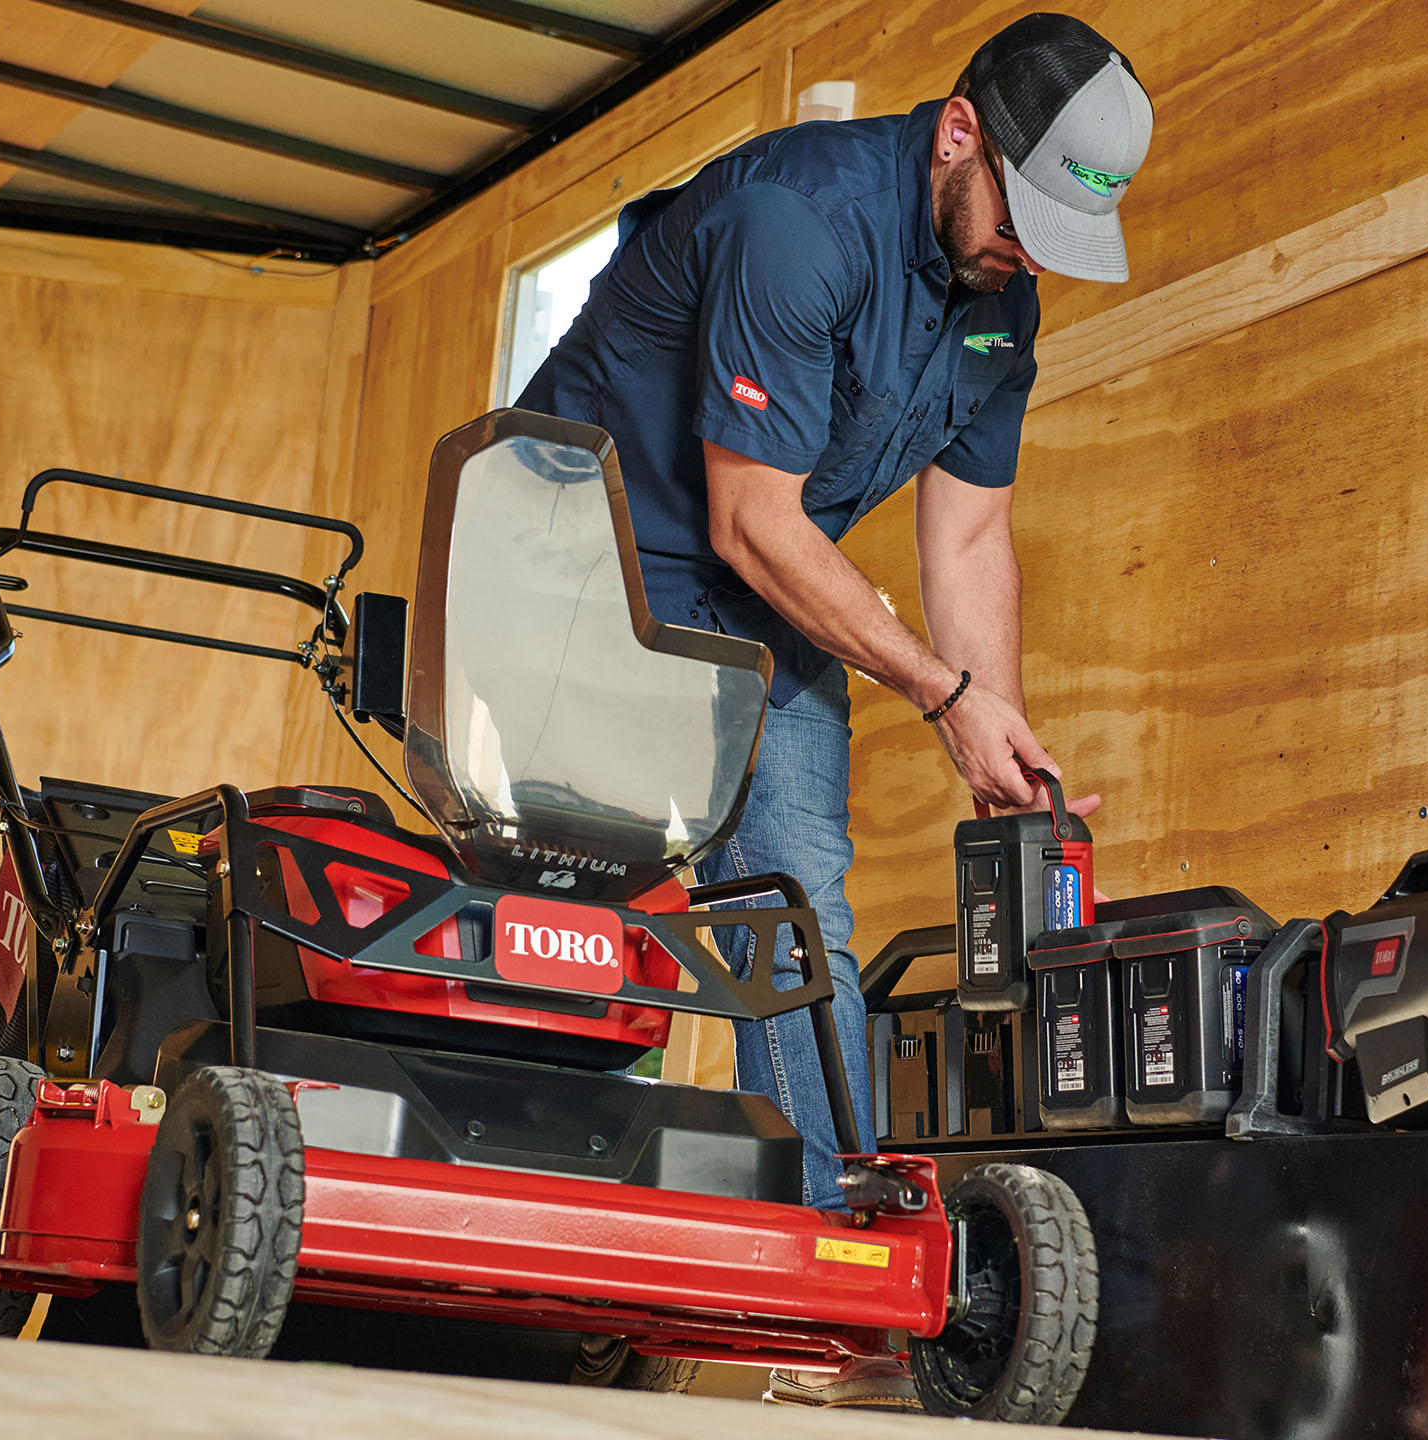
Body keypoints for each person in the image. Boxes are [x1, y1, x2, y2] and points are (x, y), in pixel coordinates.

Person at [515, 12, 1153, 1410]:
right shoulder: (797, 219)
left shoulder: (1000, 302)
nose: (1029, 254)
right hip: (577, 563)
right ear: (957, 132)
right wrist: (940, 692)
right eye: (1021, 216)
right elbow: (748, 520)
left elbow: (971, 545)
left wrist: (1005, 738)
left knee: (797, 903)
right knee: (558, 902)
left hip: (757, 594)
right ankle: (516, 1225)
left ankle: (822, 1294)